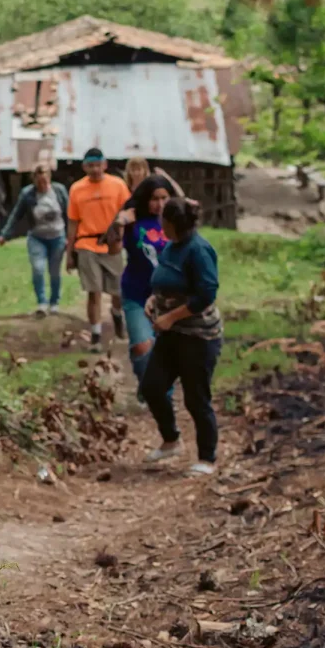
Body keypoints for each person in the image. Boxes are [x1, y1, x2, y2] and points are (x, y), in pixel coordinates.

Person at [140, 197, 223, 476]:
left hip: (198, 336)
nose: (159, 223)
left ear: (173, 223)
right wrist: (154, 300)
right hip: (170, 334)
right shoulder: (172, 247)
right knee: (152, 386)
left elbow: (206, 293)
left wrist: (171, 316)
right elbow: (164, 280)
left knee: (196, 397)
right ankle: (171, 439)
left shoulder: (199, 251)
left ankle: (207, 457)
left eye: (163, 219)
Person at [107, 175, 177, 402]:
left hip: (169, 298)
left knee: (166, 350)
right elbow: (113, 250)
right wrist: (118, 223)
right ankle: (148, 386)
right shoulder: (132, 220)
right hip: (136, 293)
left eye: (164, 198)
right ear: (145, 200)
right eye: (154, 199)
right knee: (141, 346)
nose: (160, 204)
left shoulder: (175, 220)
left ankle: (159, 393)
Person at [66, 148, 131, 352]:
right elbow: (73, 222)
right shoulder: (77, 189)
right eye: (90, 165)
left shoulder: (118, 185)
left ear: (105, 164)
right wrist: (69, 253)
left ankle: (117, 314)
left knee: (117, 290)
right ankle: (95, 334)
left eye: (98, 165)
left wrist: (123, 236)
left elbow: (128, 212)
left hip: (111, 242)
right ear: (84, 167)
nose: (95, 170)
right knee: (93, 291)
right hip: (86, 244)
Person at [0, 164, 70, 317]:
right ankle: (42, 302)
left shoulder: (59, 191)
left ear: (49, 178)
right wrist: (5, 234)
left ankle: (54, 302)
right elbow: (16, 215)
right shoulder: (27, 194)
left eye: (44, 181)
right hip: (37, 237)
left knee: (54, 271)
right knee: (38, 268)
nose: (42, 185)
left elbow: (69, 213)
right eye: (39, 182)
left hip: (57, 237)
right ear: (34, 181)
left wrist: (71, 236)